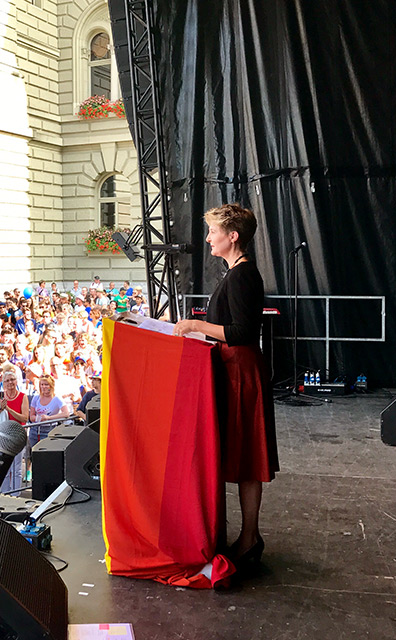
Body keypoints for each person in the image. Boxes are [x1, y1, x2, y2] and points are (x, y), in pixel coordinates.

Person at [173, 202, 279, 569]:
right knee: (243, 456)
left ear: (232, 237)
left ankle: (249, 538)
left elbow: (244, 332)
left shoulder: (242, 275)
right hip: (234, 370)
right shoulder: (235, 272)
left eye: (213, 232)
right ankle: (246, 536)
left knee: (248, 458)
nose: (208, 238)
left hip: (241, 373)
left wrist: (194, 326)